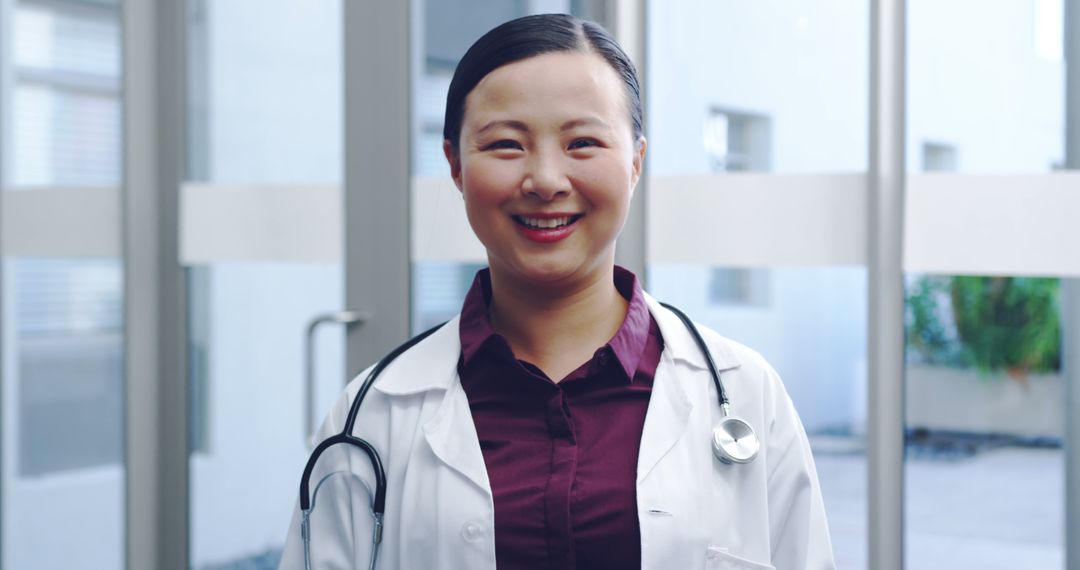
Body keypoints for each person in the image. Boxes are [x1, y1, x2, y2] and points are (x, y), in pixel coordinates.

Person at [279, 13, 835, 570]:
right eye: (505, 144)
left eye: (583, 142)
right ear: (454, 166)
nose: (546, 180)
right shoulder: (371, 415)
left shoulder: (747, 394)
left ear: (636, 161)